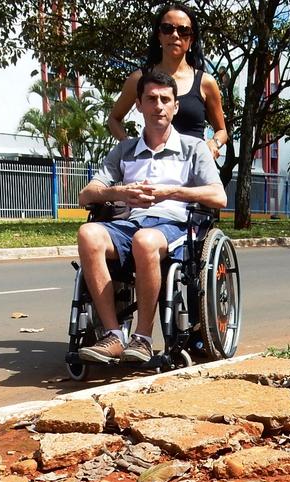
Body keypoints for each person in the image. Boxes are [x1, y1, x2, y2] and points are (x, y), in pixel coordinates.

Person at [76, 70, 227, 365]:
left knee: (145, 241)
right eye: (151, 99)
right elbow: (87, 194)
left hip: (174, 227)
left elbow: (218, 196)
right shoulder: (125, 150)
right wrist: (120, 192)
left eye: (165, 99)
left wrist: (171, 192)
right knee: (88, 233)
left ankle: (143, 338)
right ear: (139, 105)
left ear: (175, 106)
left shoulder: (193, 148)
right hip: (129, 224)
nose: (158, 105)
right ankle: (114, 335)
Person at [108, 3, 228, 161]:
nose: (175, 35)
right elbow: (113, 119)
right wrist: (128, 145)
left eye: (183, 30)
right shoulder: (139, 79)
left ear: (191, 39)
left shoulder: (206, 82)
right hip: (152, 170)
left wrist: (214, 143)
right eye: (167, 28)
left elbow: (222, 130)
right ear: (159, 35)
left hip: (193, 171)